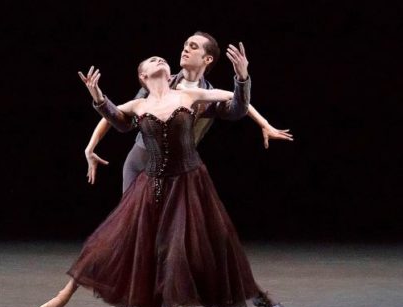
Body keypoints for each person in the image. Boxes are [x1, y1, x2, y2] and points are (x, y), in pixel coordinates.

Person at [34, 53, 287, 307]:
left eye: (161, 60)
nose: (160, 59)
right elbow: (116, 120)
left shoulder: (191, 95)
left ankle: (172, 305)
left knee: (193, 241)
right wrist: (97, 98)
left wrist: (243, 77)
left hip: (188, 180)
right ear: (142, 76)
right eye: (152, 60)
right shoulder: (138, 103)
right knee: (122, 237)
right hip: (149, 178)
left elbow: (238, 104)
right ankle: (69, 295)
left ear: (170, 74)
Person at [84, 32, 293, 192]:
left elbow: (237, 107)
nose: (185, 49)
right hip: (142, 160)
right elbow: (123, 120)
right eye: (185, 45)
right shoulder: (159, 80)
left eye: (193, 47)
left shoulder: (206, 97)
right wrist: (91, 146)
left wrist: (243, 79)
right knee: (136, 225)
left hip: (179, 168)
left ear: (207, 59)